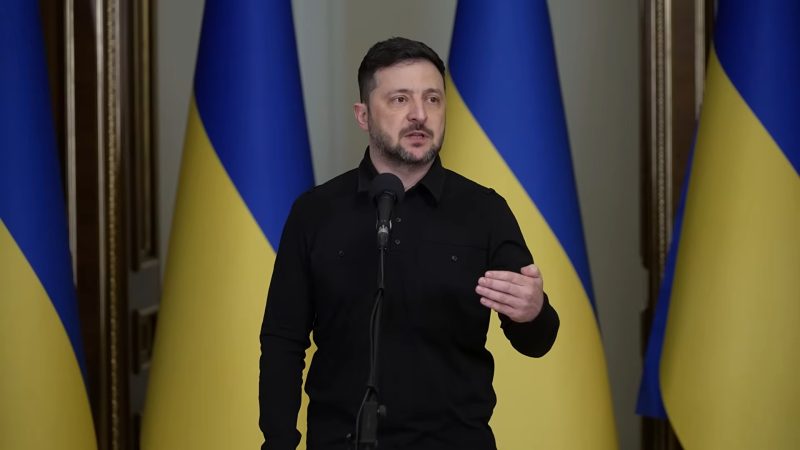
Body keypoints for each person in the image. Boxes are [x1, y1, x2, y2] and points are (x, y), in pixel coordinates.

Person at [259, 37, 559, 450]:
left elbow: (536, 341)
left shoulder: (484, 211)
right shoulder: (315, 212)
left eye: (432, 99)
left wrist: (533, 311)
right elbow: (283, 341)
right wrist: (278, 443)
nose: (420, 114)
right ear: (363, 115)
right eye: (400, 99)